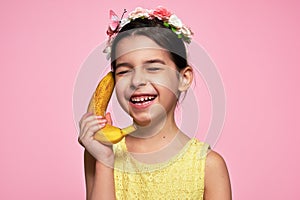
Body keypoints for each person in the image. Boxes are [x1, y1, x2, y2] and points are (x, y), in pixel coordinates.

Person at [79, 6, 231, 200]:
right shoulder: (100, 153)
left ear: (183, 78)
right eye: (124, 71)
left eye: (153, 68)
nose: (136, 81)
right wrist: (104, 162)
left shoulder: (208, 166)